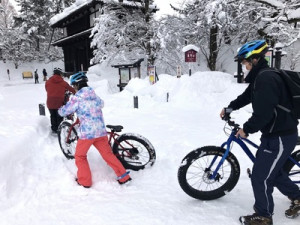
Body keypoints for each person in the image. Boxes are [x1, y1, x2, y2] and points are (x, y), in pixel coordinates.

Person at [220, 40, 300, 225]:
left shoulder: (266, 78)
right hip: (275, 134)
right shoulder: (261, 77)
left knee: (260, 176)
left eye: (245, 62)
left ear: (254, 59)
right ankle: (297, 196)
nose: (244, 66)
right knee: (273, 171)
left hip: (280, 135)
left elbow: (263, 113)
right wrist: (230, 108)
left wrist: (246, 130)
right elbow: (248, 96)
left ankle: (263, 216)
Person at [58, 72, 131, 188]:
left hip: (87, 134)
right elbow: (102, 104)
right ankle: (124, 176)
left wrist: (60, 108)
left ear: (76, 85)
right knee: (108, 155)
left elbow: (64, 112)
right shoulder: (94, 95)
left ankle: (85, 181)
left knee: (80, 156)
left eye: (74, 86)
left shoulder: (77, 98)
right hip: (101, 132)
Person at [45, 67, 75, 133]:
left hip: (50, 102)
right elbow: (72, 90)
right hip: (59, 102)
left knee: (52, 115)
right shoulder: (63, 83)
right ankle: (59, 129)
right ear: (60, 74)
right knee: (59, 116)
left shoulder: (47, 82)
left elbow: (47, 89)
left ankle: (54, 128)